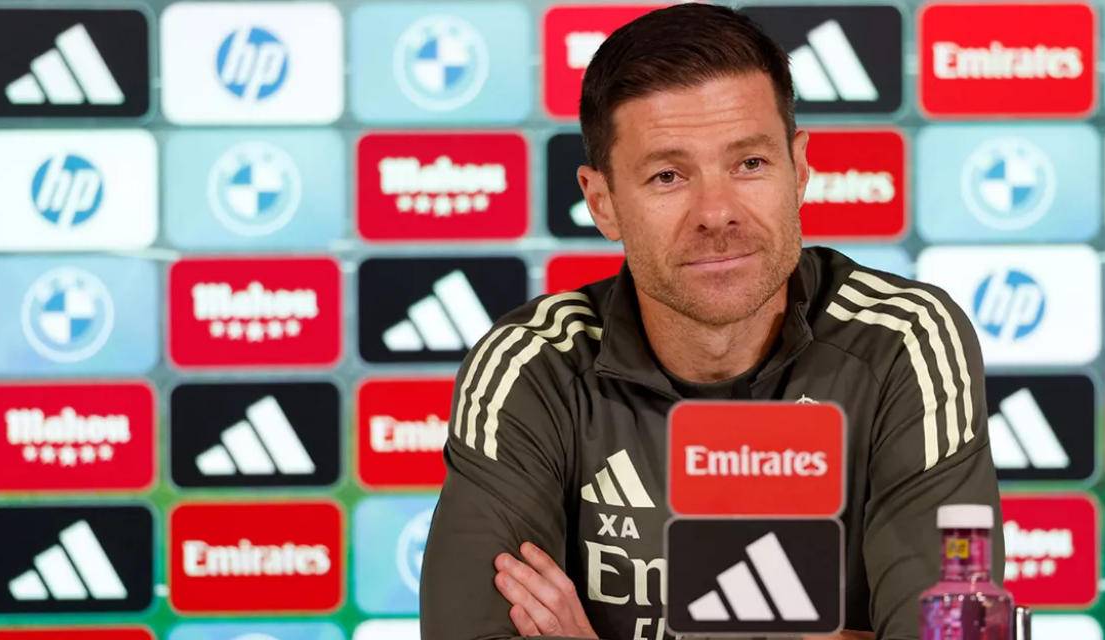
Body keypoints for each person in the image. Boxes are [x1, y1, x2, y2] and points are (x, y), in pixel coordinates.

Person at [419, 4, 1002, 639]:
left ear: (799, 169)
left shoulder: (905, 340)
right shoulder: (532, 366)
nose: (716, 213)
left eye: (750, 163)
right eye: (668, 175)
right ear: (602, 202)